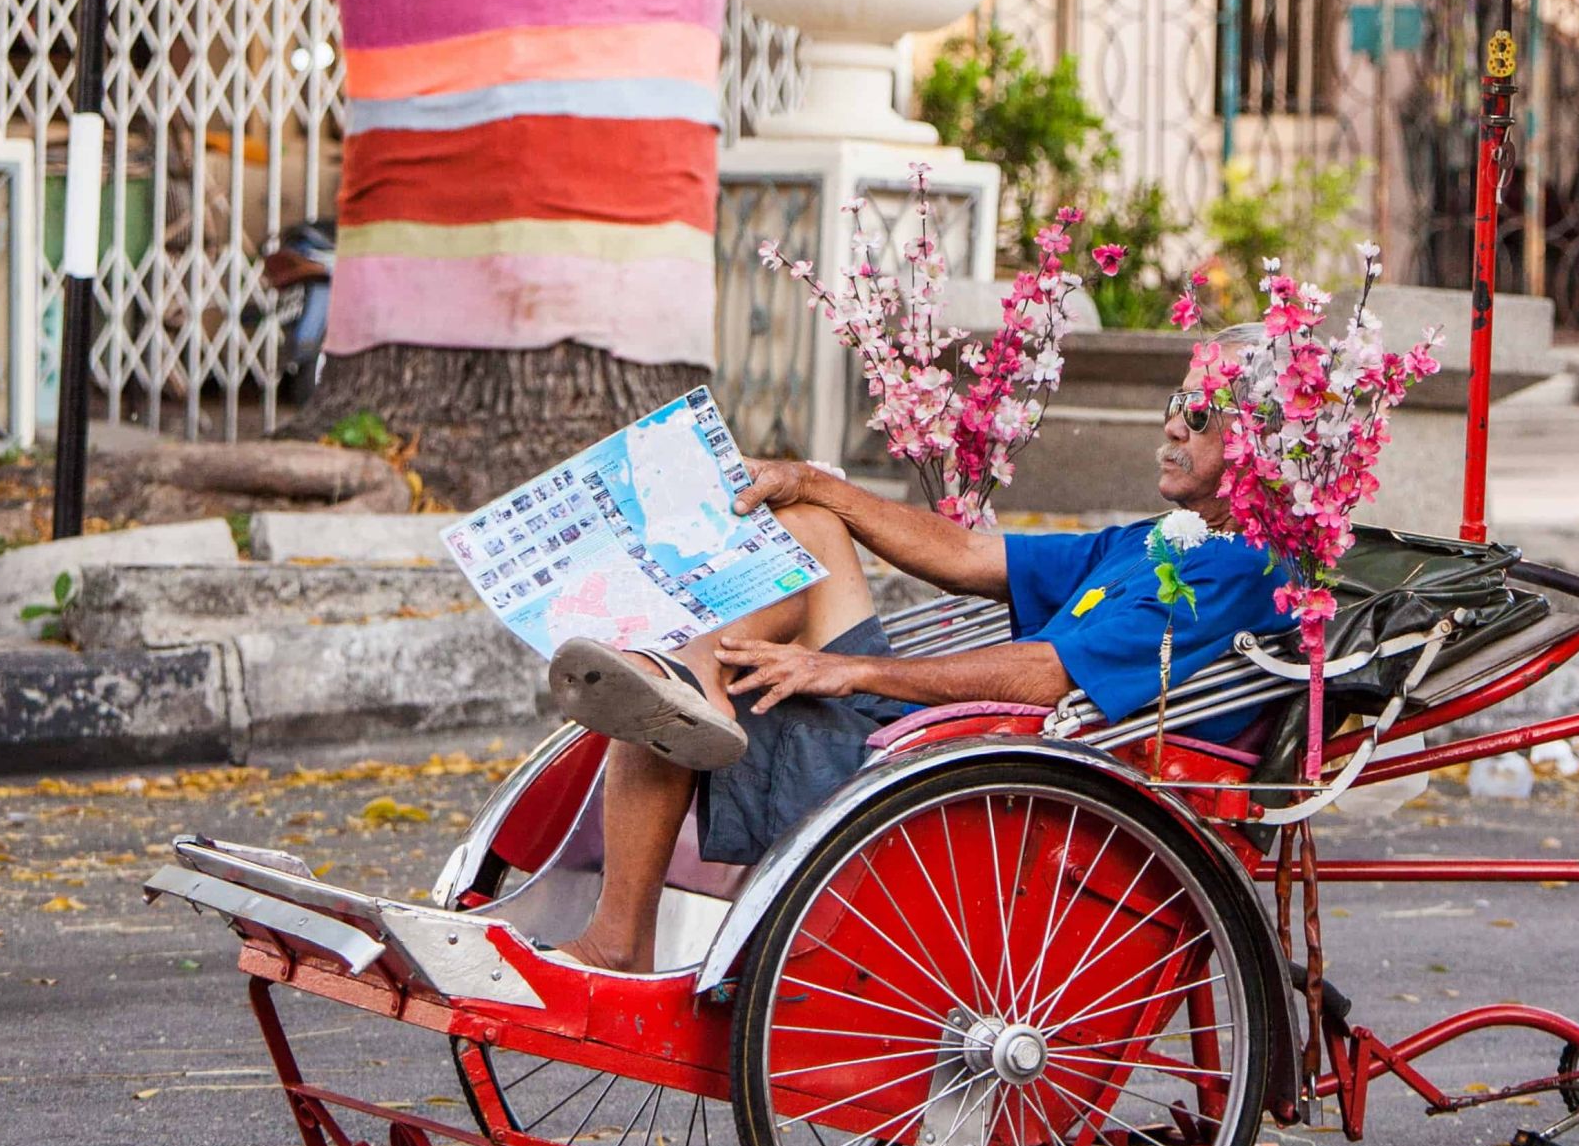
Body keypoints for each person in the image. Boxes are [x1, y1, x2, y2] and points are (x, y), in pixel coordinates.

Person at [540, 323, 1292, 974]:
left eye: (1198, 414)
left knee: (671, 684)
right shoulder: (1151, 543)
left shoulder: (1240, 569)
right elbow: (966, 554)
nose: (1171, 428)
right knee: (804, 520)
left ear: (1260, 441)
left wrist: (852, 669)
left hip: (976, 797)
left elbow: (1049, 674)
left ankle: (622, 916)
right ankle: (689, 678)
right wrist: (811, 481)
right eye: (1175, 407)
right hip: (941, 760)